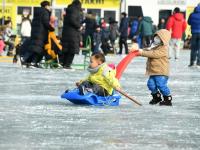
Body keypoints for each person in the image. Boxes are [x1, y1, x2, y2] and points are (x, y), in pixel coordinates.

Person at [131, 29, 172, 106]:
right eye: (155, 37)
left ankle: (167, 99)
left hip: (161, 71)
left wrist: (142, 53)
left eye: (159, 38)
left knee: (161, 85)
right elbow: (148, 50)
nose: (156, 39)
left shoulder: (164, 48)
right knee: (151, 84)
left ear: (163, 39)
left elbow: (154, 54)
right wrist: (139, 50)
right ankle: (157, 97)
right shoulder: (154, 46)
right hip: (154, 71)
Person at [22, 0, 54, 67]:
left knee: (36, 48)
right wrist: (51, 28)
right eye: (49, 6)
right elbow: (45, 23)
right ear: (46, 6)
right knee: (36, 48)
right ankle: (25, 59)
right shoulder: (45, 12)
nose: (50, 7)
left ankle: (33, 62)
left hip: (35, 32)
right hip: (41, 33)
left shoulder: (37, 12)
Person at [61, 0, 82, 69]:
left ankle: (64, 64)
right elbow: (72, 20)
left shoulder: (69, 10)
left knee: (67, 49)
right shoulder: (75, 10)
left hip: (67, 32)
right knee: (72, 50)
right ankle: (67, 65)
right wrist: (79, 26)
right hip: (73, 33)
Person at [187, 3, 200, 67]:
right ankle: (198, 63)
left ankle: (192, 62)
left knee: (193, 48)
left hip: (194, 33)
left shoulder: (192, 14)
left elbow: (189, 22)